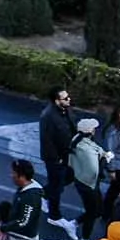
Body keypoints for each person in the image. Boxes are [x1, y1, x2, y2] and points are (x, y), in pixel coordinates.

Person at [40, 86, 78, 219]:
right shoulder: (48, 116)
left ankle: (44, 193)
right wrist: (56, 159)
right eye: (65, 98)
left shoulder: (66, 110)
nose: (69, 99)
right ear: (57, 101)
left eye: (68, 97)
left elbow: (73, 127)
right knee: (56, 185)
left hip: (68, 153)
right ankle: (54, 215)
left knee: (69, 177)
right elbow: (47, 141)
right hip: (55, 158)